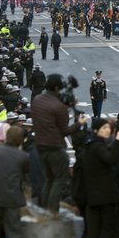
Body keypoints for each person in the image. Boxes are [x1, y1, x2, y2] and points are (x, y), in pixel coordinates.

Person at [31, 74, 87, 214]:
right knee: (58, 180)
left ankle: (44, 208)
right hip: (55, 146)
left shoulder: (37, 100)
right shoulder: (59, 107)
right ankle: (53, 210)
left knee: (49, 179)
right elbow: (64, 131)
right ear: (57, 87)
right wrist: (79, 124)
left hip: (40, 146)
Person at [83, 118, 119, 238]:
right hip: (106, 197)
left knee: (93, 234)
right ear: (96, 130)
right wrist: (118, 141)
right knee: (107, 233)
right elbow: (111, 159)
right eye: (104, 128)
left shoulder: (88, 147)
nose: (107, 130)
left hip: (92, 197)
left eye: (108, 128)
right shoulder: (99, 146)